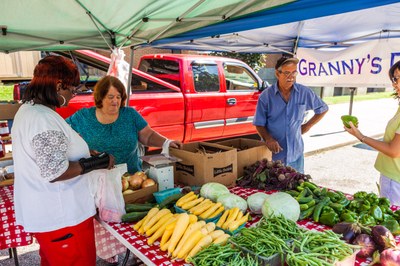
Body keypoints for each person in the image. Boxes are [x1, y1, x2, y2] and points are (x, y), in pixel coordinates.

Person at [66, 75, 182, 265]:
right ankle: (111, 253)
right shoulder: (83, 117)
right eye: (110, 97)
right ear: (100, 98)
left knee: (134, 220)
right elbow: (63, 132)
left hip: (133, 180)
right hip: (98, 183)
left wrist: (167, 142)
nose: (115, 101)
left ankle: (139, 252)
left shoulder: (129, 115)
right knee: (106, 223)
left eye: (119, 96)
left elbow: (147, 136)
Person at [11, 55, 114, 266]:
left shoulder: (30, 110)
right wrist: (98, 163)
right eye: (72, 89)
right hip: (63, 219)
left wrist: (83, 154)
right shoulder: (42, 119)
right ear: (58, 86)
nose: (73, 95)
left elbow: (51, 154)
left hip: (51, 217)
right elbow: (55, 171)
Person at [253, 55, 329, 173]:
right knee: (274, 189)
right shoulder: (266, 96)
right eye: (287, 73)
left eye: (294, 72)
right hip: (273, 157)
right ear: (277, 74)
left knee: (297, 187)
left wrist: (307, 126)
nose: (291, 77)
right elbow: (259, 124)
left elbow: (323, 109)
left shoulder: (304, 92)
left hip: (296, 155)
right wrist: (268, 139)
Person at [344, 60, 400, 205]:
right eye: (394, 78)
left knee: (391, 225)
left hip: (395, 179)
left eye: (398, 78)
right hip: (393, 176)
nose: (395, 83)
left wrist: (360, 136)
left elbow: (393, 151)